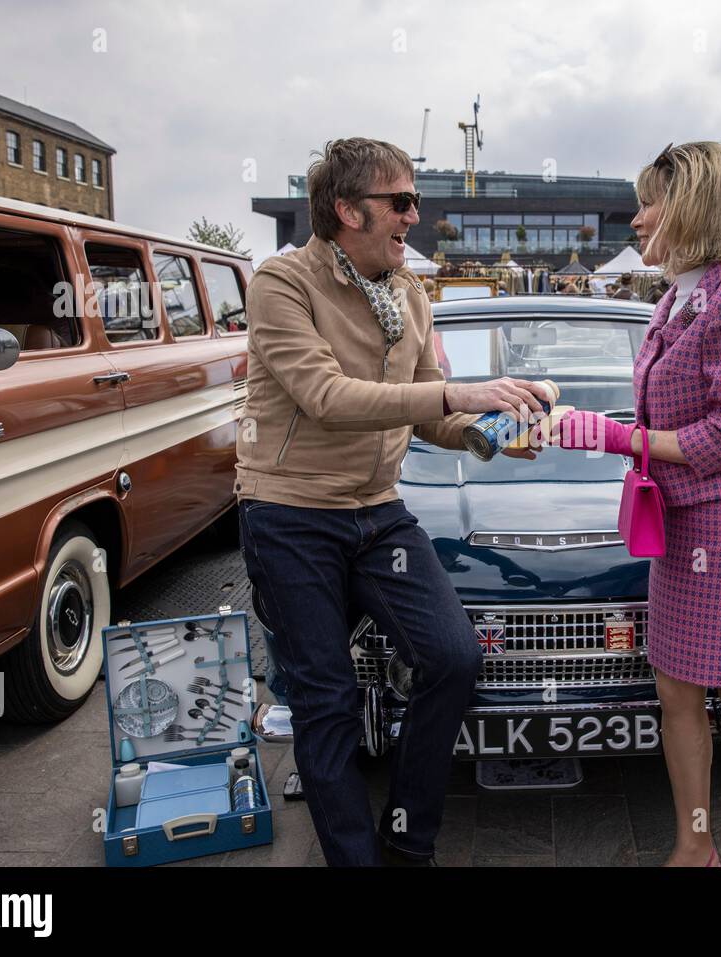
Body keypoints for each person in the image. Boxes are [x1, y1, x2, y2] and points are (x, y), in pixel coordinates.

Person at [235, 136, 548, 866]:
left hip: (376, 510)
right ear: (347, 210)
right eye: (401, 201)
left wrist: (487, 435)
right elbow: (325, 397)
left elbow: (424, 411)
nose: (416, 214)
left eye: (415, 199)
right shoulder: (280, 283)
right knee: (327, 699)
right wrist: (459, 390)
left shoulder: (408, 290)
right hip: (289, 513)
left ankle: (408, 838)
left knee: (453, 657)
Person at [549, 141, 721, 868]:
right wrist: (612, 433)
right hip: (686, 519)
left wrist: (617, 437)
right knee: (677, 688)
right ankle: (695, 841)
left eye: (648, 201)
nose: (636, 217)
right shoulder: (679, 293)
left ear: (691, 205)